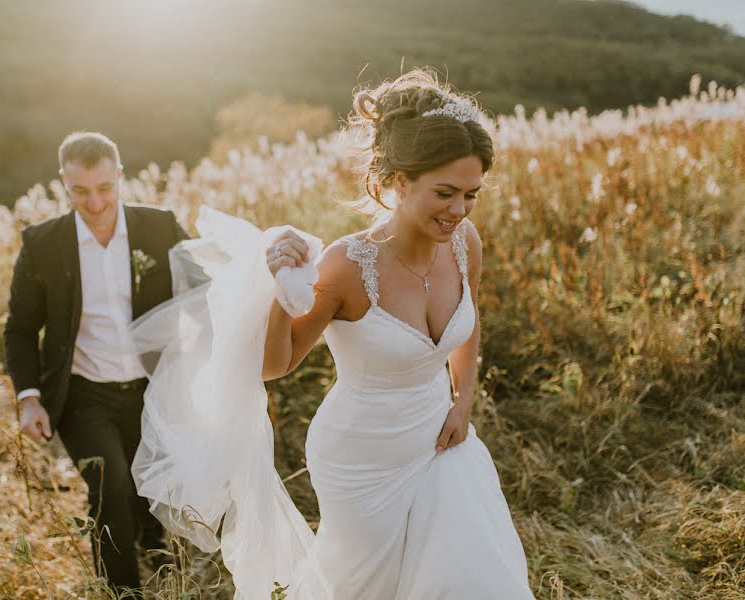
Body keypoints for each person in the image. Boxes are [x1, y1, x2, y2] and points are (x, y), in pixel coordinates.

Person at [133, 69, 535, 598]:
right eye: (445, 193)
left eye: (471, 195)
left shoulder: (465, 244)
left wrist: (463, 402)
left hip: (442, 440)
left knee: (470, 574)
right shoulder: (348, 264)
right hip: (361, 458)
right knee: (362, 587)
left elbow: (469, 322)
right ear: (398, 180)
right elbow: (276, 365)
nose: (458, 211)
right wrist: (281, 295)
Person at [4, 131, 187, 593]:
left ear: (120, 177)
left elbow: (205, 285)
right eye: (81, 191)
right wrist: (29, 399)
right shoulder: (42, 243)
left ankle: (161, 560)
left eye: (105, 188)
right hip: (83, 393)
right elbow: (21, 329)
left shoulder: (159, 227)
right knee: (111, 492)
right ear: (64, 184)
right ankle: (122, 591)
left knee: (147, 488)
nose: (96, 202)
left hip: (152, 389)